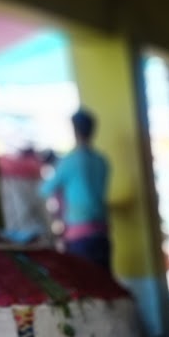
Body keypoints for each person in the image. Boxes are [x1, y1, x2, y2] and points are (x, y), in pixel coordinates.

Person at [41, 108, 111, 270]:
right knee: (103, 279)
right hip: (102, 231)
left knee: (83, 280)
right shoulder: (102, 161)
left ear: (74, 130)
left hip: (79, 235)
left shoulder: (69, 161)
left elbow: (44, 189)